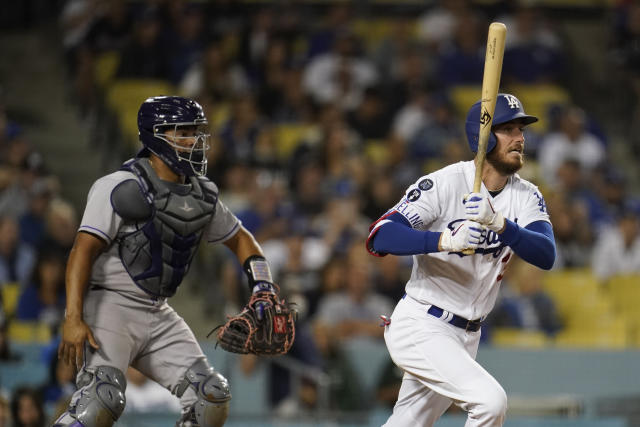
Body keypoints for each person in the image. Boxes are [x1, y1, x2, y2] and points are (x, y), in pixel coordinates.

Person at [54, 96, 286, 427]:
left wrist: (262, 284)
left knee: (211, 395)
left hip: (157, 310)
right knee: (100, 401)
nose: (194, 141)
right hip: (110, 306)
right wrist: (73, 317)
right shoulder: (120, 186)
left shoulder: (201, 192)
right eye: (183, 132)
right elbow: (81, 251)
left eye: (196, 132)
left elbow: (241, 239)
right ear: (155, 135)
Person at [366, 93, 556, 426]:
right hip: (423, 323)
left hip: (467, 334)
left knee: (407, 423)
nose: (520, 138)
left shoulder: (526, 195)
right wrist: (442, 239)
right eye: (508, 129)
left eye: (521, 130)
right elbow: (380, 235)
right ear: (482, 138)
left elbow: (545, 254)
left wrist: (501, 224)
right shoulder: (444, 183)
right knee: (490, 402)